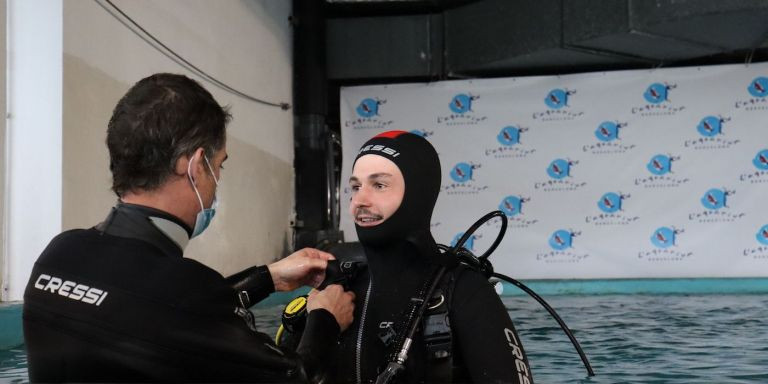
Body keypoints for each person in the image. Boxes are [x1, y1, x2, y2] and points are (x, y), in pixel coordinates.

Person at [22, 73, 355, 383]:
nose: (216, 181)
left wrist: (267, 278)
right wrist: (325, 318)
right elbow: (298, 376)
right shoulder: (185, 292)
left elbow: (156, 312)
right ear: (195, 166)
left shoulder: (60, 254)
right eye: (219, 165)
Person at [325, 130, 534, 383]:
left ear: (417, 195)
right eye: (356, 186)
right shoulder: (339, 289)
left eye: (379, 185)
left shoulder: (464, 292)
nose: (360, 200)